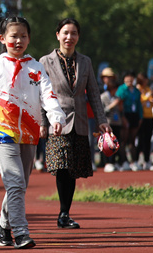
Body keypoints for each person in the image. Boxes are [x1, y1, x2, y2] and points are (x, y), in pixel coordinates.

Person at [0, 16, 66, 250]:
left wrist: (56, 117)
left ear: (29, 38)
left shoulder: (36, 67)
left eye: (23, 36)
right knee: (14, 181)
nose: (19, 40)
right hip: (2, 130)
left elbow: (48, 95)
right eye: (13, 36)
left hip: (30, 132)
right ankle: (20, 232)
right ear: (3, 39)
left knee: (20, 184)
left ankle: (3, 223)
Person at [40, 18, 111, 229]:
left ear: (78, 36)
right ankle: (63, 212)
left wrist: (102, 121)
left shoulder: (86, 62)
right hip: (56, 123)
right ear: (57, 35)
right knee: (61, 166)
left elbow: (95, 95)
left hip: (79, 122)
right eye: (65, 32)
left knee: (72, 170)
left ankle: (65, 213)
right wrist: (43, 122)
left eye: (73, 33)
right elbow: (40, 95)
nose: (69, 37)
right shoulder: (45, 61)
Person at [99, 68, 124, 171]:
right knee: (106, 143)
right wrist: (112, 106)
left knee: (115, 143)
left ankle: (114, 162)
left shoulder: (116, 97)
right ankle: (106, 163)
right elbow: (102, 109)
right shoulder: (102, 92)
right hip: (107, 122)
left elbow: (120, 110)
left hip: (116, 122)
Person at [116, 72, 142, 169]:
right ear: (124, 79)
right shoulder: (121, 89)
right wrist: (123, 118)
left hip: (134, 115)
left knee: (133, 140)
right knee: (123, 140)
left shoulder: (136, 91)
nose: (130, 80)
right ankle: (123, 162)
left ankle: (134, 161)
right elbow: (119, 104)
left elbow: (139, 104)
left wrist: (140, 117)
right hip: (125, 115)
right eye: (127, 78)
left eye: (131, 78)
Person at [136, 74, 153, 169]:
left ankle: (147, 160)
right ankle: (138, 160)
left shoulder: (148, 89)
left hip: (150, 116)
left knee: (148, 139)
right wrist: (147, 98)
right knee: (141, 139)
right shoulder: (138, 89)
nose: (146, 81)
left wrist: (149, 99)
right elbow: (140, 101)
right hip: (141, 117)